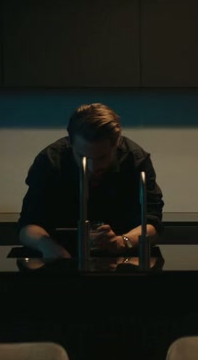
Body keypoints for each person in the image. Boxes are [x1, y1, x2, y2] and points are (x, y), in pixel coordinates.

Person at [18, 103, 163, 260]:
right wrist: (47, 246)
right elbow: (28, 225)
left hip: (122, 257)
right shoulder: (50, 161)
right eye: (83, 157)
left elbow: (152, 222)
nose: (93, 168)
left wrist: (122, 242)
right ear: (71, 142)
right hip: (59, 254)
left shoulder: (135, 160)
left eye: (102, 157)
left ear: (116, 144)